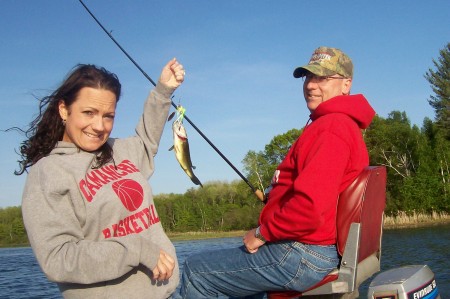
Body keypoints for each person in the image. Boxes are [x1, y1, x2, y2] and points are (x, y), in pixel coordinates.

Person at [177, 47, 376, 298]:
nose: (311, 86)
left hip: (303, 253)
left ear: (346, 84)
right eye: (308, 77)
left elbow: (310, 208)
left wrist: (262, 234)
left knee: (196, 270)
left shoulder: (331, 128)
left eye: (322, 78)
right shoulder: (337, 124)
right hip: (309, 248)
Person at [18, 58, 185, 299]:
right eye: (89, 112)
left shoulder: (120, 151)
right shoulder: (48, 172)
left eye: (108, 115)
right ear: (64, 109)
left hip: (167, 293)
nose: (99, 126)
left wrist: (163, 91)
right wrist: (137, 250)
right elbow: (58, 258)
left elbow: (147, 140)